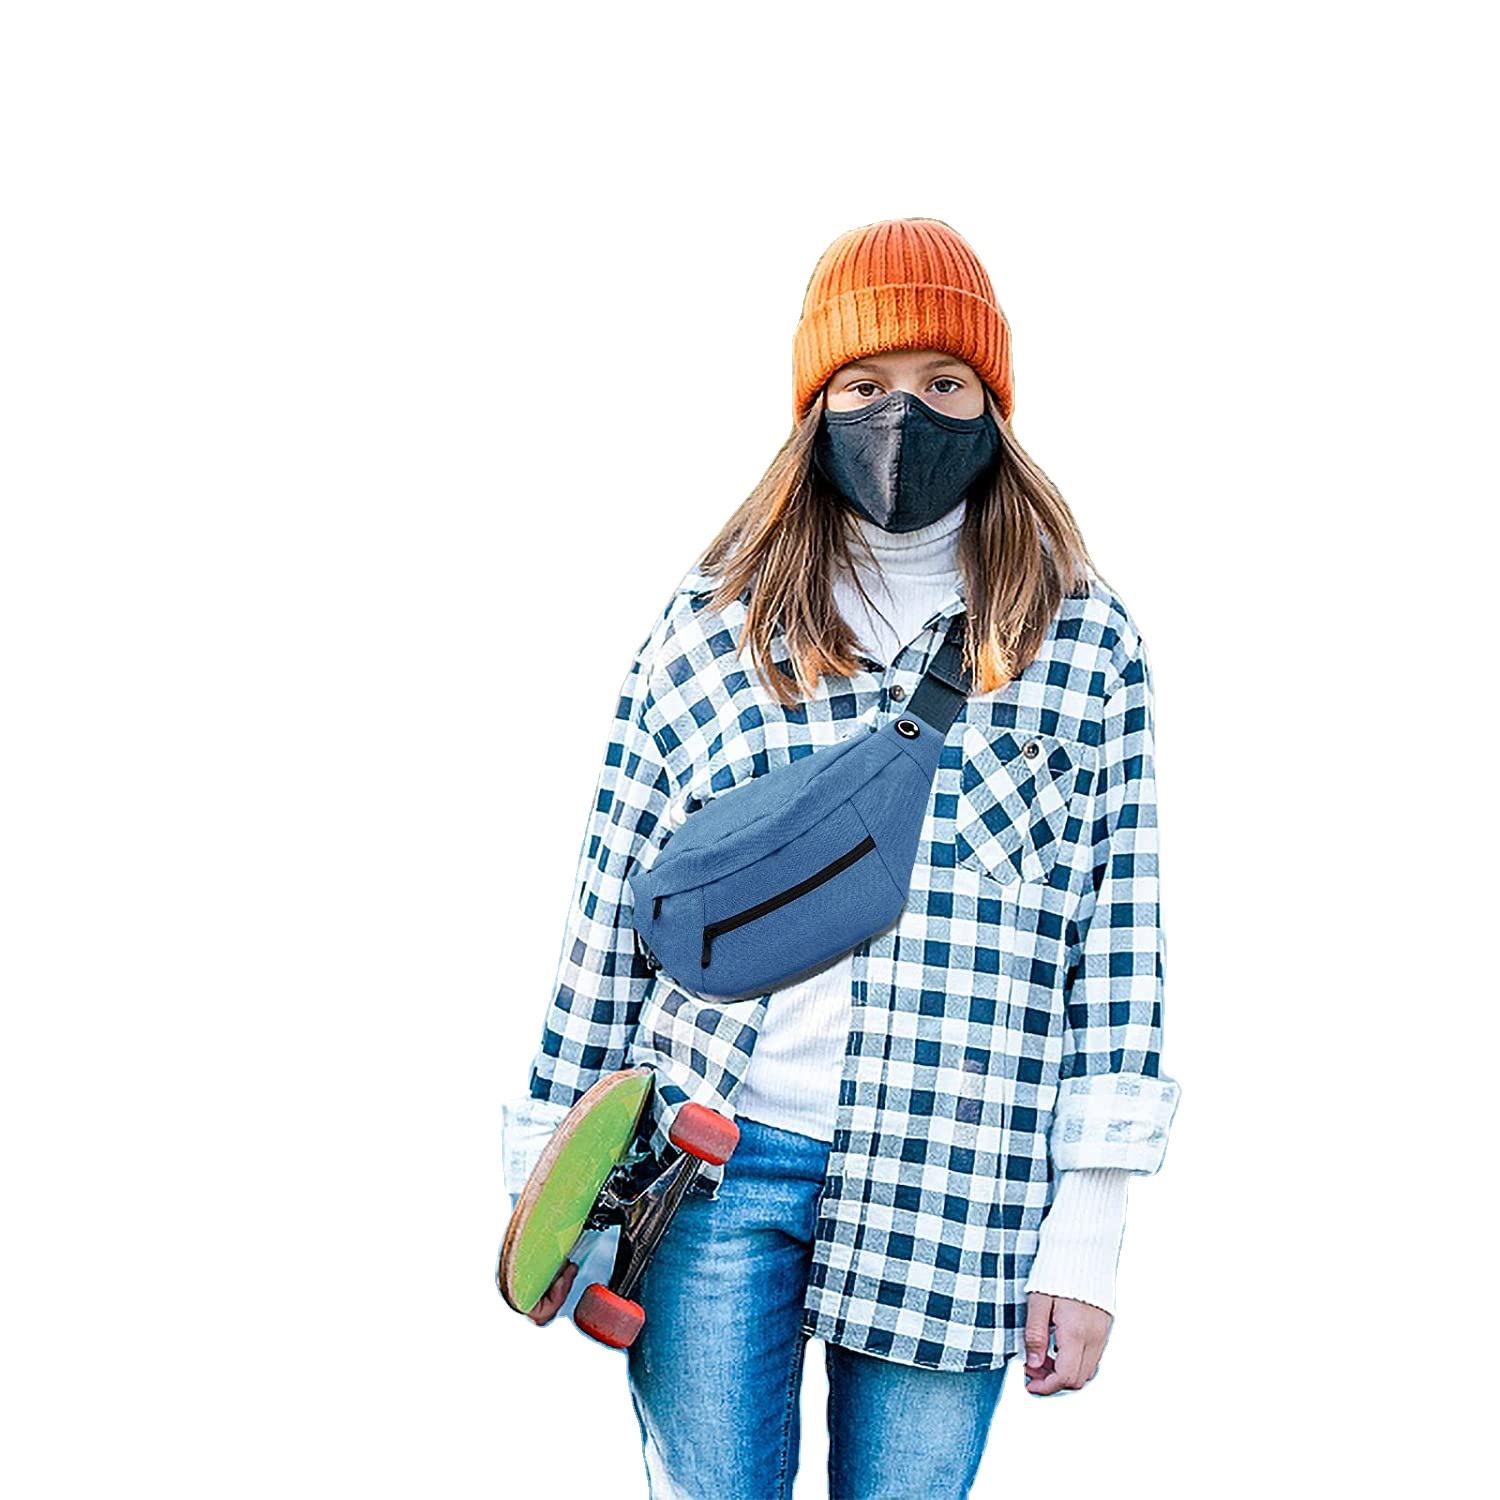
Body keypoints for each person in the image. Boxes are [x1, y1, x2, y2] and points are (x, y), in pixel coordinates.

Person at [500, 216, 1182, 1499]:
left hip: (957, 1177)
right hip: (705, 1163)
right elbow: (609, 907)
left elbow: (1117, 943)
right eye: (864, 383)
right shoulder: (711, 626)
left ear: (994, 404)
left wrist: (1088, 1237)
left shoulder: (1083, 639)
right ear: (814, 403)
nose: (902, 416)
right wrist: (548, 1168)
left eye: (944, 382)